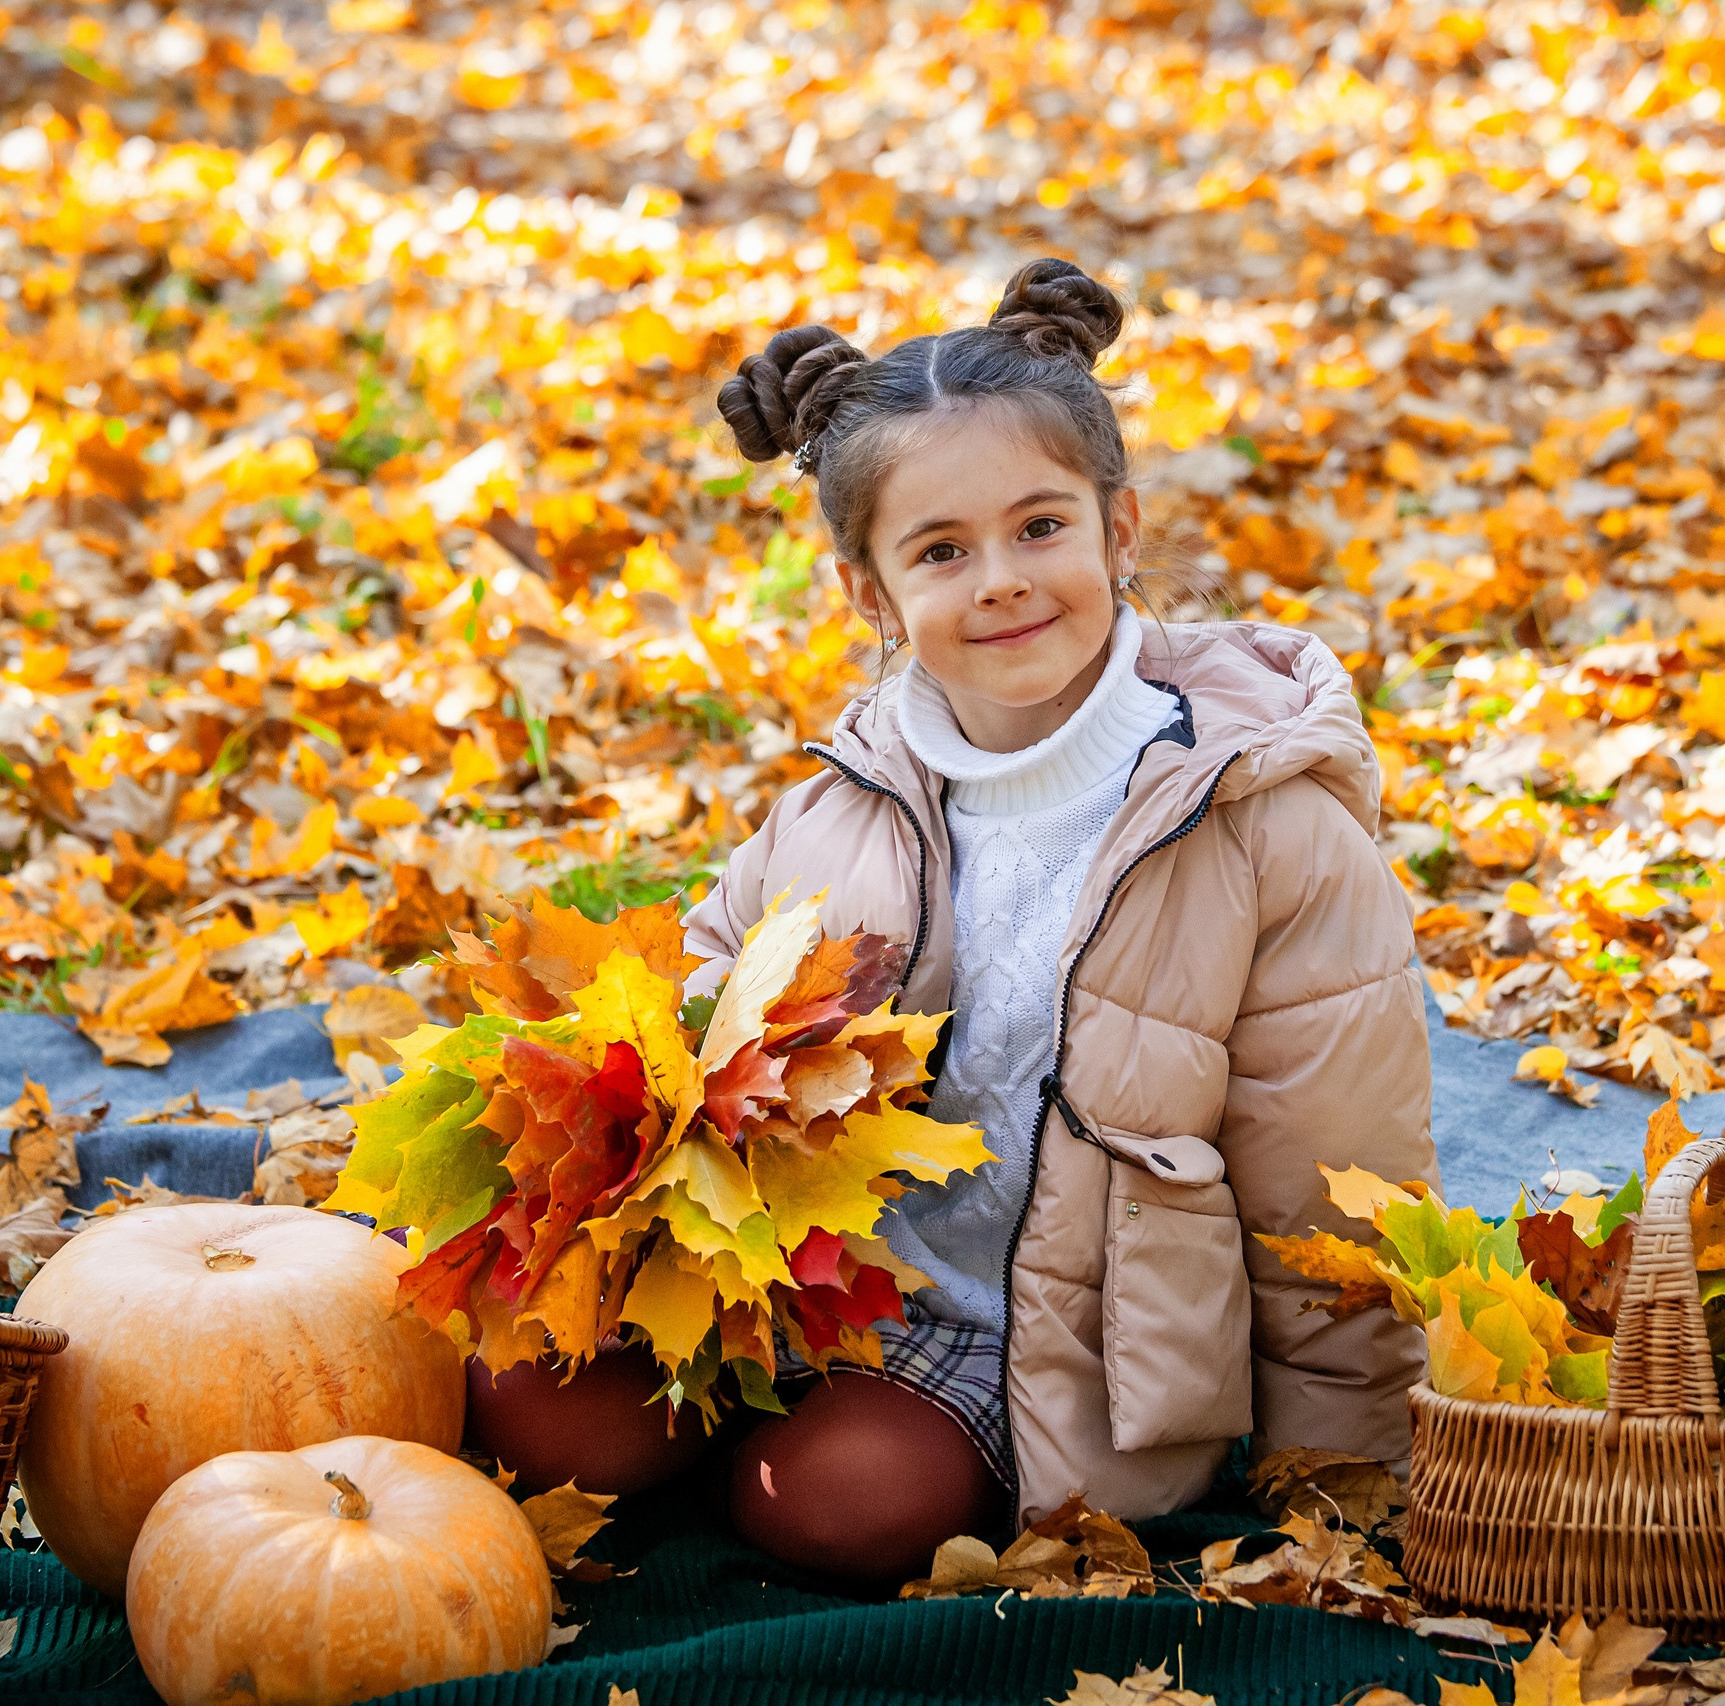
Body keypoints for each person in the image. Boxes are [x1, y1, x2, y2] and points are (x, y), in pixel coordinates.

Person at [485, 257, 1437, 1583]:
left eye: (1040, 527)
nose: (1000, 580)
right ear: (870, 595)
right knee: (528, 1409)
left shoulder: (1260, 820)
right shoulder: (850, 791)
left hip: (1046, 1326)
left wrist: (1345, 1458)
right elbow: (703, 973)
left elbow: (1331, 1164)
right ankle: (713, 1405)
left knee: (828, 1507)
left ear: (1119, 529)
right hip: (803, 1257)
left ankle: (819, 1445)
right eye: (941, 551)